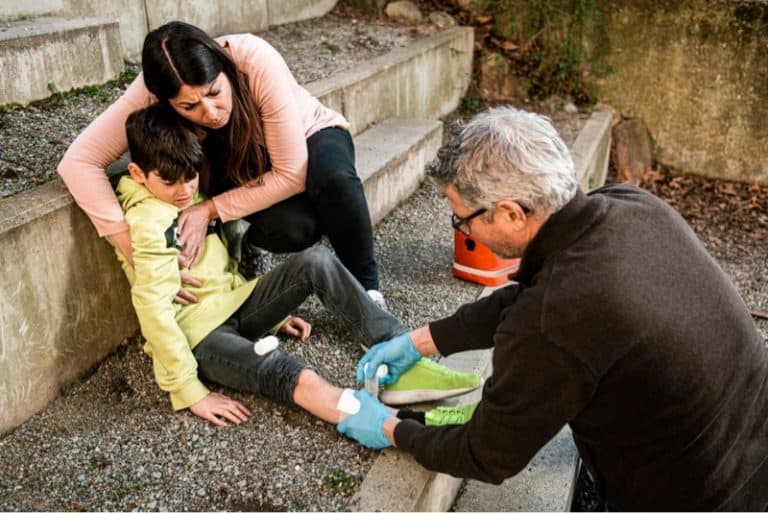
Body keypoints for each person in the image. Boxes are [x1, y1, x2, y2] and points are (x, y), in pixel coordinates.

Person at [337, 106, 768, 510]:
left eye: (462, 219)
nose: (464, 231)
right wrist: (418, 342)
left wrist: (390, 428)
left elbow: (487, 453)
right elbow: (531, 296)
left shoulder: (555, 318)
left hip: (697, 495)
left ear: (510, 214)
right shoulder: (629, 206)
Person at [117, 103, 480, 426]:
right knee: (286, 371)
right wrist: (189, 391)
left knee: (317, 261)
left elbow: (221, 270)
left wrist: (273, 314)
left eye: (190, 178)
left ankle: (401, 353)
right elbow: (153, 312)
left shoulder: (189, 189)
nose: (183, 190)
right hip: (203, 336)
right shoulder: (149, 223)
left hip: (235, 304)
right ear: (137, 173)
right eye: (170, 182)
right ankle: (393, 424)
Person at [57, 20, 386, 308]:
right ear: (163, 100)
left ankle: (369, 292)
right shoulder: (150, 90)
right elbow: (78, 163)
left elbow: (291, 173)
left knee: (335, 180)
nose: (211, 112)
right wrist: (139, 258)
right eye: (189, 106)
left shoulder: (253, 58)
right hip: (242, 167)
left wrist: (207, 210)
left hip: (307, 138)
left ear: (223, 67)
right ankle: (252, 243)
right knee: (299, 228)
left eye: (214, 92)